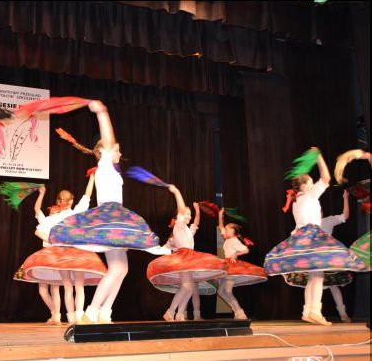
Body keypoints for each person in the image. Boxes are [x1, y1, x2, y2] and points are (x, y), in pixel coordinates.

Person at [48, 100, 165, 324]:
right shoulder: (105, 164)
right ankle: (92, 312)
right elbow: (108, 140)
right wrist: (102, 113)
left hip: (114, 218)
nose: (119, 153)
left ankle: (104, 311)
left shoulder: (108, 169)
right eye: (116, 150)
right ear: (103, 151)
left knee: (121, 268)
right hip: (110, 217)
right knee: (118, 268)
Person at [264, 148, 366, 326]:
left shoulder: (297, 200)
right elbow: (326, 178)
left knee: (314, 275)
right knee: (318, 275)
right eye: (311, 182)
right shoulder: (309, 195)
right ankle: (316, 311)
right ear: (305, 185)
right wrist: (318, 157)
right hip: (311, 235)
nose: (313, 184)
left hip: (301, 237)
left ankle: (308, 311)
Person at [24, 179, 107, 323]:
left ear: (58, 201)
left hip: (60, 254)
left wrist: (54, 241)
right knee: (78, 286)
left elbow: (38, 231)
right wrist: (92, 177)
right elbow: (87, 195)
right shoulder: (76, 213)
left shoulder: (53, 217)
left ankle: (70, 317)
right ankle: (79, 316)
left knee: (68, 286)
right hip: (77, 252)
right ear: (71, 201)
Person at [147, 187, 226, 321]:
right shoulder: (179, 226)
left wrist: (197, 210)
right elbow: (182, 210)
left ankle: (179, 314)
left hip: (190, 258)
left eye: (189, 215)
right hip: (182, 258)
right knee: (186, 287)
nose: (188, 216)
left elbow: (196, 223)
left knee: (188, 288)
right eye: (186, 214)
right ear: (180, 215)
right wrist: (177, 192)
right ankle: (170, 312)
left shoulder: (188, 230)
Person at [216, 209, 267, 320]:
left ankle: (240, 312)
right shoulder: (228, 239)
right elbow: (221, 227)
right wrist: (220, 215)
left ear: (233, 231)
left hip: (232, 266)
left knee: (227, 291)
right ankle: (236, 311)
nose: (225, 231)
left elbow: (246, 250)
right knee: (220, 291)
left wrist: (235, 254)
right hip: (226, 265)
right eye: (226, 230)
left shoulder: (234, 240)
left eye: (228, 230)